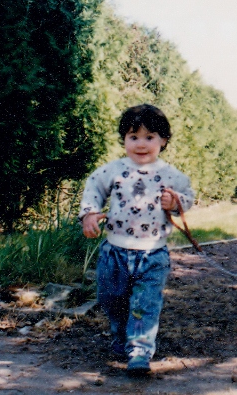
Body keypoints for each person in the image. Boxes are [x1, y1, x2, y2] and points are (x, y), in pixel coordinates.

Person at [79, 104, 194, 375]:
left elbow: (188, 197)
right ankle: (121, 338)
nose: (141, 144)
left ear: (163, 140)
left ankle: (140, 351)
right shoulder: (114, 170)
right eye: (133, 137)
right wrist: (90, 214)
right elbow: (93, 188)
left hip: (152, 254)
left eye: (149, 137)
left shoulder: (172, 175)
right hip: (114, 251)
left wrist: (175, 201)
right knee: (111, 300)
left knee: (146, 303)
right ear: (124, 140)